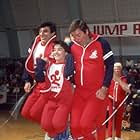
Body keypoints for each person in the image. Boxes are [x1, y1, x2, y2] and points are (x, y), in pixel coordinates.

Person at [68, 19, 114, 140]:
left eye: (78, 35)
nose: (76, 38)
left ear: (86, 31)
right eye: (73, 36)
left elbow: (110, 66)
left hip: (96, 91)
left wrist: (105, 87)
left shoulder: (101, 43)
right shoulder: (72, 46)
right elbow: (61, 57)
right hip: (79, 92)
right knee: (74, 127)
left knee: (85, 125)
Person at [34, 40, 74, 139]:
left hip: (64, 101)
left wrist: (69, 56)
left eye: (59, 49)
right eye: (54, 50)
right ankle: (55, 137)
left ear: (66, 53)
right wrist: (40, 63)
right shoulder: (49, 66)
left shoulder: (69, 66)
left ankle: (68, 136)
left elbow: (69, 73)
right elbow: (39, 78)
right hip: (51, 100)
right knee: (45, 124)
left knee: (58, 123)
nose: (56, 52)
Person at [21, 21, 57, 123]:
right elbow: (28, 63)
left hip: (48, 85)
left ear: (53, 33)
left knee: (35, 113)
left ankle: (56, 130)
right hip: (37, 84)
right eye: (40, 31)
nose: (42, 34)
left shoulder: (55, 47)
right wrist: (27, 80)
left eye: (45, 31)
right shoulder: (35, 43)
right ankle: (51, 126)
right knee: (25, 112)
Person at [106, 62, 131, 140]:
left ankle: (118, 136)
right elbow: (107, 90)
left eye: (118, 68)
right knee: (110, 119)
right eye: (115, 68)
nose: (117, 70)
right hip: (111, 101)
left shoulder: (124, 79)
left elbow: (126, 89)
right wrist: (107, 103)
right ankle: (109, 136)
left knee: (119, 119)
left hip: (120, 102)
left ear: (120, 69)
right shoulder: (109, 78)